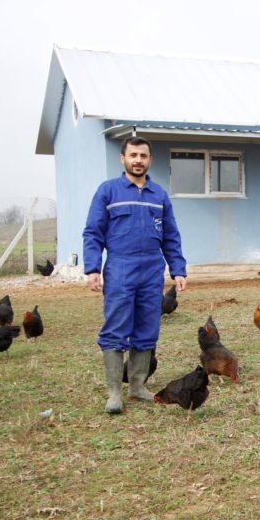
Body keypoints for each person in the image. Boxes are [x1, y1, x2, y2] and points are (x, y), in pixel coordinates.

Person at [83, 136, 187, 414]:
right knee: (116, 327)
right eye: (133, 155)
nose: (138, 160)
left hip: (152, 270)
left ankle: (138, 385)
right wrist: (93, 268)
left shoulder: (159, 196)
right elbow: (93, 233)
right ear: (123, 158)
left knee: (147, 327)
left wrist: (177, 268)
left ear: (150, 160)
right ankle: (114, 392)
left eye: (143, 155)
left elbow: (171, 237)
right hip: (120, 268)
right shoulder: (108, 192)